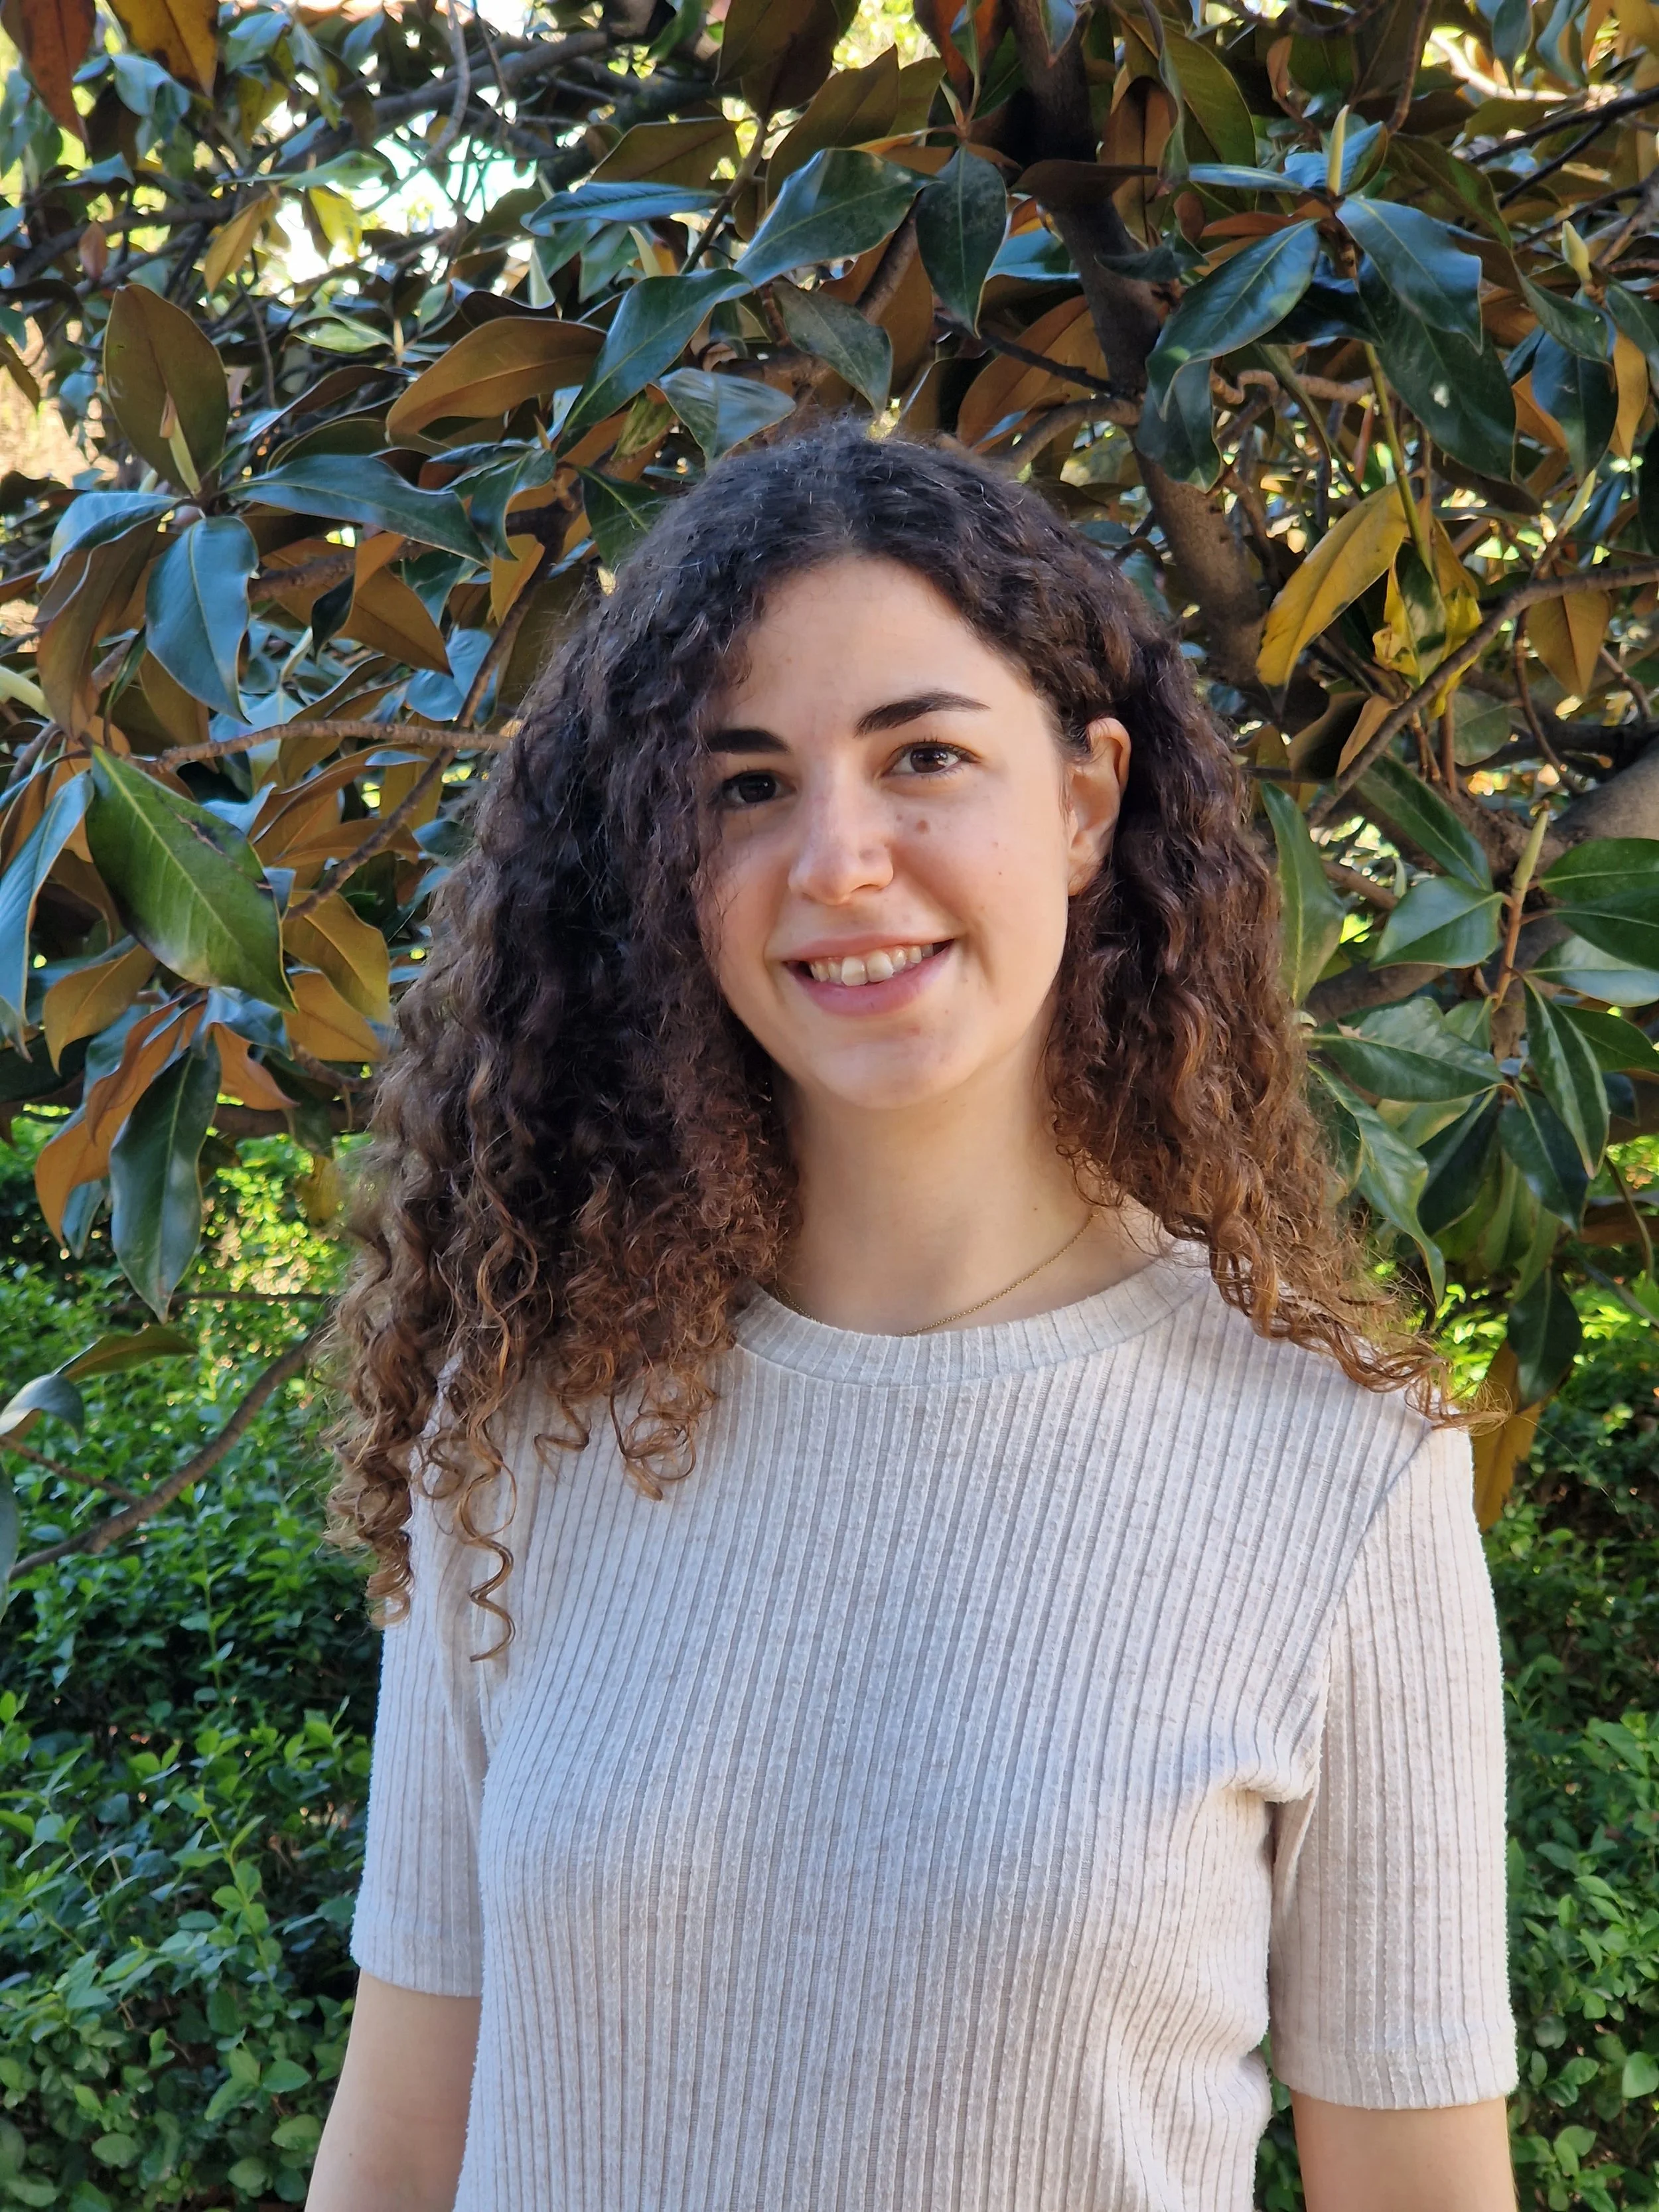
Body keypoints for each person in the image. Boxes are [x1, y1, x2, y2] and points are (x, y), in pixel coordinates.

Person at [307, 424, 1518, 2212]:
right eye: (745, 786)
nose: (840, 860)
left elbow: (1419, 2188)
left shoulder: (1340, 1472)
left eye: (923, 756)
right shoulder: (521, 1422)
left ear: (1086, 800)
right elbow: (406, 2135)